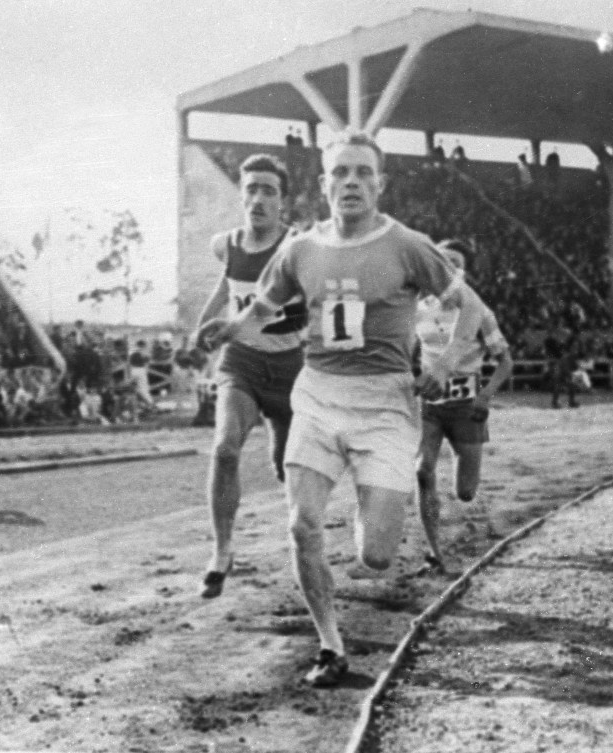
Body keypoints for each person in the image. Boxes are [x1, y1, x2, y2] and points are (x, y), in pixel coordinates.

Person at [200, 130, 486, 686]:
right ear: (324, 182)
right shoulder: (301, 248)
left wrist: (447, 363)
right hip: (319, 394)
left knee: (375, 555)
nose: (350, 182)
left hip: (385, 405)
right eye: (340, 173)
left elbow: (469, 307)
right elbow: (264, 303)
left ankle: (367, 496)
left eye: (362, 172)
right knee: (302, 524)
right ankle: (330, 645)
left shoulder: (407, 245)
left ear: (380, 183)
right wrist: (230, 327)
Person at [193, 153, 306, 600]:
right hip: (240, 363)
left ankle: (303, 544)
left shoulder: (298, 245)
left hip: (288, 368)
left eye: (268, 191)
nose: (258, 198)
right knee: (224, 450)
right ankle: (221, 553)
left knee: (286, 465)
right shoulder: (227, 243)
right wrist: (202, 324)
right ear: (241, 194)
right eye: (251, 189)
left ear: (283, 200)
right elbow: (226, 283)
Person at [415, 240, 514, 572]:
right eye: (441, 261)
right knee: (422, 471)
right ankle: (433, 553)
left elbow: (505, 363)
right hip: (431, 405)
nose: (447, 267)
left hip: (467, 408)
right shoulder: (418, 308)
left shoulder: (480, 312)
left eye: (454, 262)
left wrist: (485, 396)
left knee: (466, 492)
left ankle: (476, 509)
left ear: (463, 272)